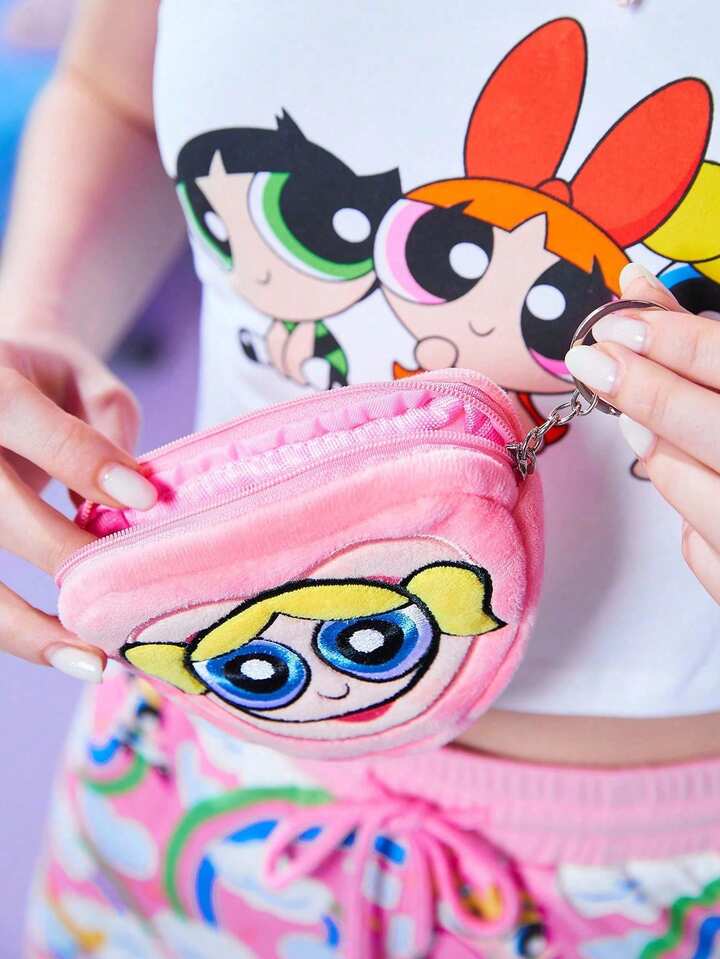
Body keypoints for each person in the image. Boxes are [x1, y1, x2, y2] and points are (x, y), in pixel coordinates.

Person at [4, 1, 720, 956]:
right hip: (191, 762)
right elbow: (117, 93)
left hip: (663, 887)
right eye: (450, 253)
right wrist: (34, 323)